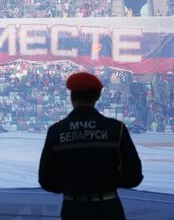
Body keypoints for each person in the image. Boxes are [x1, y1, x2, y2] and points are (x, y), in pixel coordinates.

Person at [38, 72, 143, 220]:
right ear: (97, 97)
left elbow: (46, 180)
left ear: (72, 97)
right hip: (108, 208)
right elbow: (133, 177)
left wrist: (72, 186)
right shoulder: (116, 129)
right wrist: (109, 182)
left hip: (73, 209)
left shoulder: (56, 131)